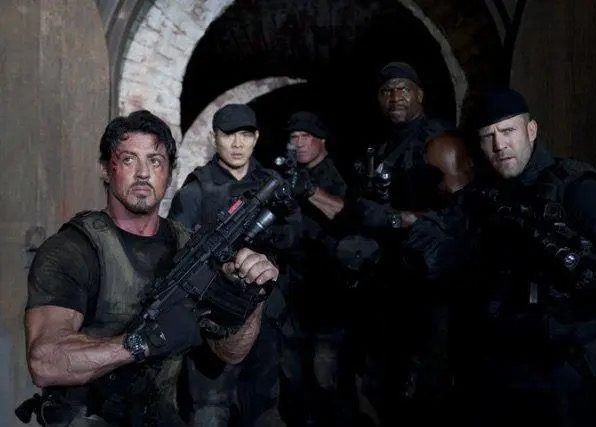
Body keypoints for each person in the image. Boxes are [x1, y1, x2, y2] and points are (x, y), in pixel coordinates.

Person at [22, 110, 278, 426]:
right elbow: (44, 363)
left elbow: (230, 352)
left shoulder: (189, 246)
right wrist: (145, 341)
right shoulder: (73, 249)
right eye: (129, 159)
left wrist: (252, 298)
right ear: (105, 169)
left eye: (155, 161)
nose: (143, 173)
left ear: (169, 174)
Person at [408, 88, 596, 426]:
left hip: (570, 367)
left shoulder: (578, 188)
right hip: (503, 366)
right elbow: (440, 245)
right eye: (488, 136)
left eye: (508, 131)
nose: (499, 145)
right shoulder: (485, 195)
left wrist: (570, 260)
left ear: (531, 130)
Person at [349, 61, 473, 425]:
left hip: (432, 281)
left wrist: (396, 218)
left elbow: (463, 212)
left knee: (427, 385)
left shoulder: (440, 140)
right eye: (386, 91)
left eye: (403, 88)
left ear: (419, 94)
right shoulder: (382, 145)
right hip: (392, 280)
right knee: (385, 380)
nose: (395, 97)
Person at [169, 104, 296, 427]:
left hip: (265, 316)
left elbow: (297, 239)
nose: (238, 144)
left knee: (263, 408)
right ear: (214, 139)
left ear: (257, 137)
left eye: (245, 135)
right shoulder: (196, 189)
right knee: (209, 411)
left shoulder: (272, 184)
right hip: (214, 321)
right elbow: (178, 254)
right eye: (228, 135)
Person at [275, 112, 357, 426]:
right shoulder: (292, 174)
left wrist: (309, 189)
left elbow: (347, 213)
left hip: (328, 291)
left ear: (321, 140)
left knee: (328, 374)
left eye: (305, 137)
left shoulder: (337, 174)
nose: (298, 143)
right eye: (293, 137)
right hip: (294, 289)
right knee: (293, 371)